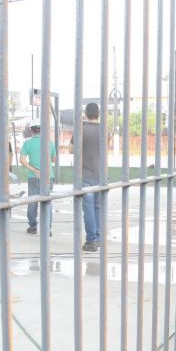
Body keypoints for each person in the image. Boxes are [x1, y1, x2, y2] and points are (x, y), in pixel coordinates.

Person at [70, 102, 102, 250]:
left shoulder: (80, 130)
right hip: (101, 175)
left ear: (86, 113)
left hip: (86, 174)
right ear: (98, 113)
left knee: (88, 208)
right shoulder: (105, 130)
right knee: (97, 207)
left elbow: (71, 149)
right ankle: (98, 237)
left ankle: (91, 241)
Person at [19, 120, 57, 235]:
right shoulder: (49, 142)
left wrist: (34, 170)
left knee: (32, 202)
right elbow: (54, 159)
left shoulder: (27, 143)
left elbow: (22, 160)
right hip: (48, 176)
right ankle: (47, 229)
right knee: (47, 202)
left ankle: (33, 226)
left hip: (33, 177)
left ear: (31, 130)